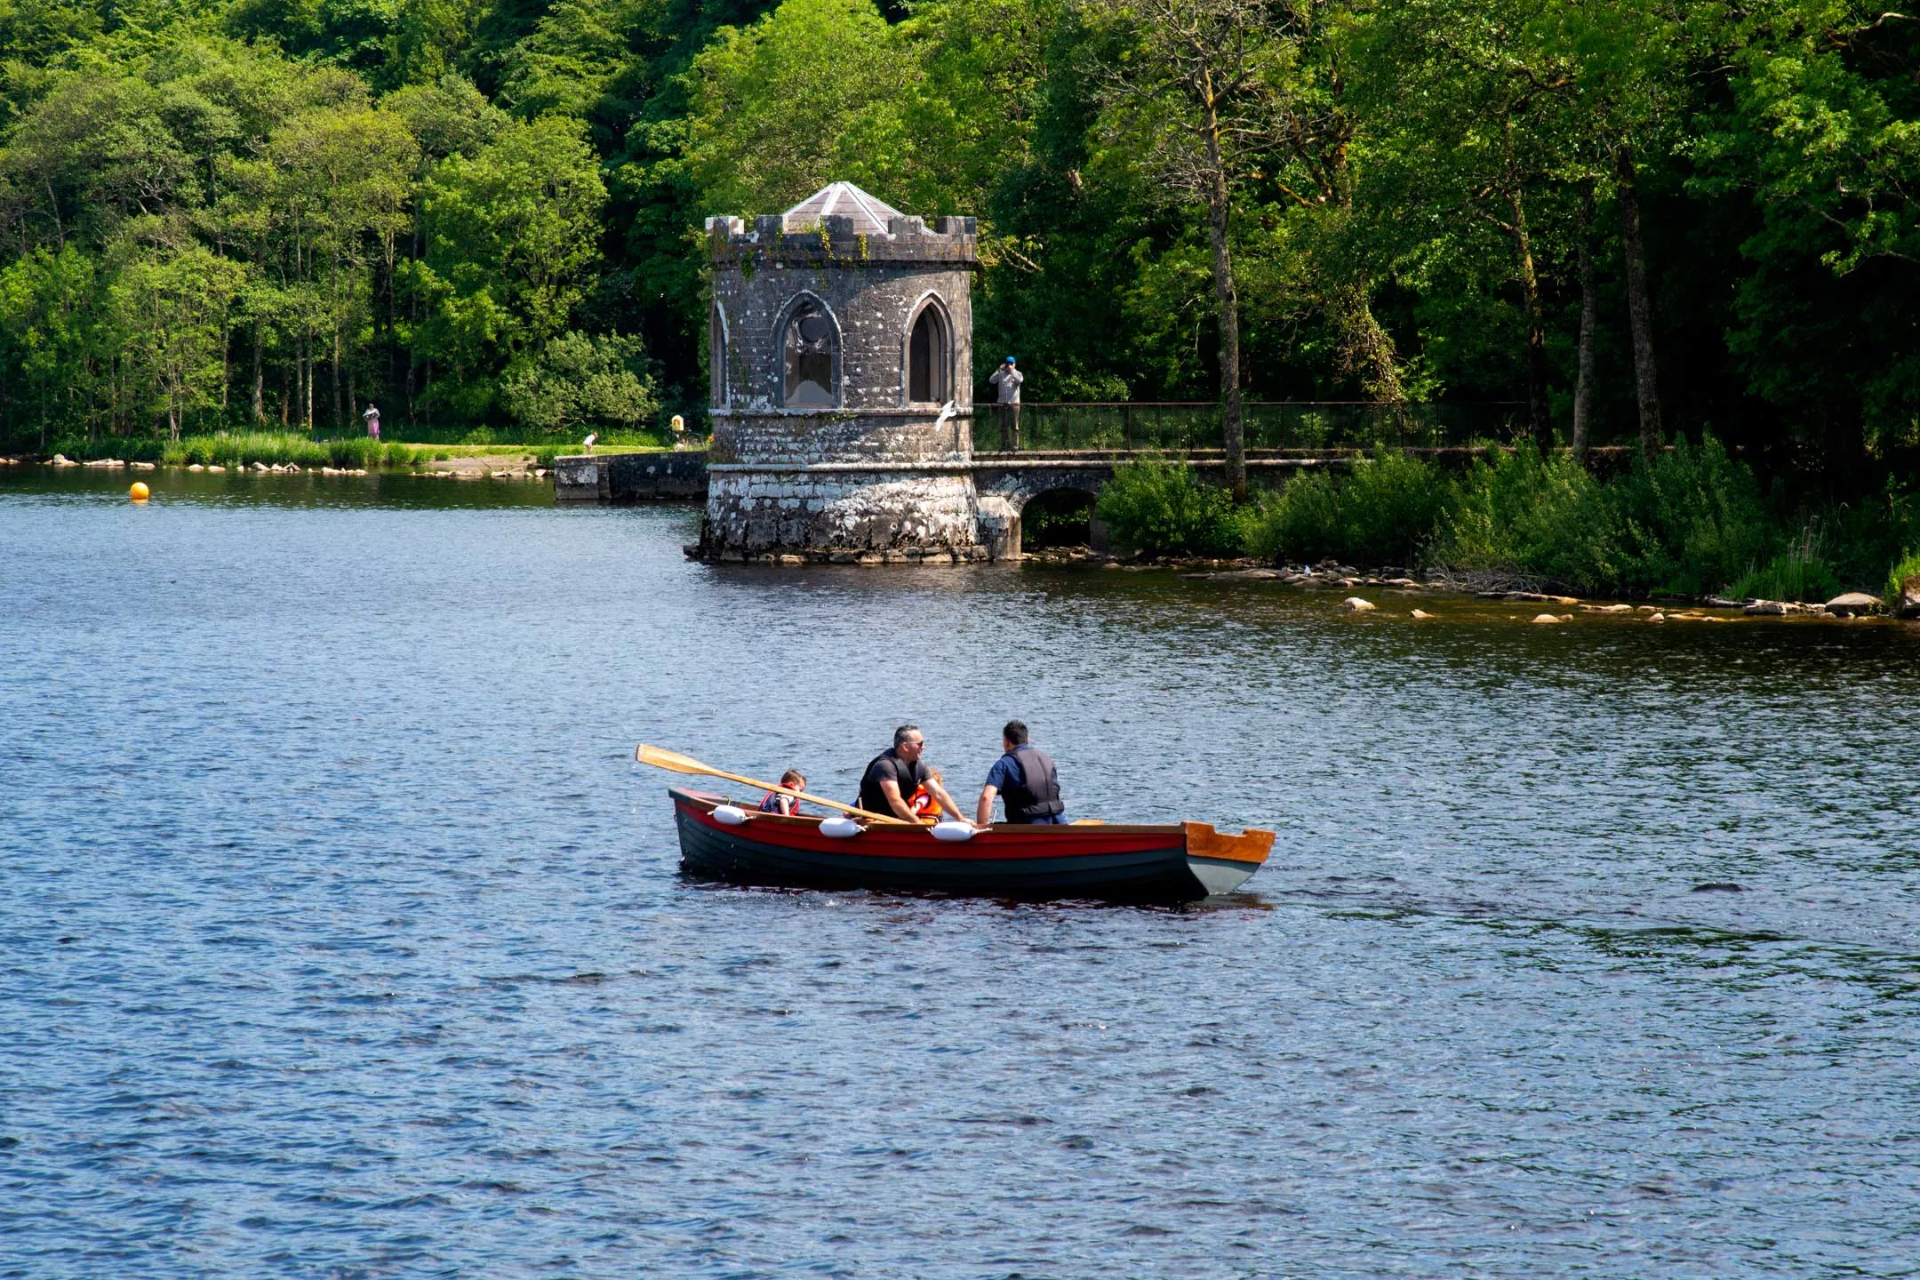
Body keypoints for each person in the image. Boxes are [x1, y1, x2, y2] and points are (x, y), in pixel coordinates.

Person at [858, 725, 962, 823]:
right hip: (873, 820)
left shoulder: (918, 766)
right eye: (920, 744)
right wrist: (918, 824)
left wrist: (960, 818)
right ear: (905, 747)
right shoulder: (885, 766)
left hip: (897, 820)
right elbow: (895, 801)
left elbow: (938, 793)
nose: (924, 747)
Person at [975, 720, 1065, 825]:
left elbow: (986, 797)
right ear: (1027, 739)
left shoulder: (1004, 764)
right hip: (1059, 824)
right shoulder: (1046, 758)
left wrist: (980, 828)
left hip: (1027, 828)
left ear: (1006, 742)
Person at [987, 356, 1023, 450]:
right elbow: (991, 380)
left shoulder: (1018, 373)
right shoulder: (1001, 373)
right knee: (1003, 426)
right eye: (1008, 363)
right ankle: (1004, 445)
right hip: (1002, 403)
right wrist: (998, 370)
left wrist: (1012, 371)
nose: (1009, 365)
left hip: (1014, 403)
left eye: (1011, 364)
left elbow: (1020, 381)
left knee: (1014, 426)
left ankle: (1015, 446)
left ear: (1014, 364)